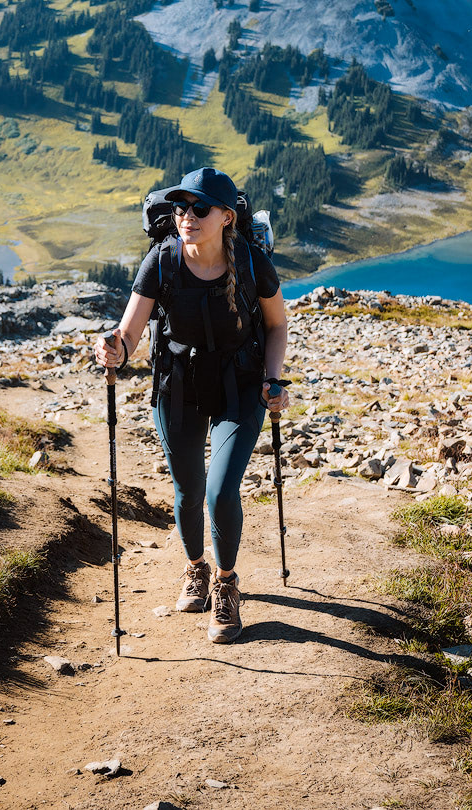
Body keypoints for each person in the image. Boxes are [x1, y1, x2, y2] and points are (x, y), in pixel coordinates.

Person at [94, 167, 288, 644]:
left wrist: (273, 378)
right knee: (187, 489)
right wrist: (115, 349)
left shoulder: (250, 262)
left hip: (239, 388)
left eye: (200, 208)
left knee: (221, 489)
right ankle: (195, 568)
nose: (187, 216)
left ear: (225, 217)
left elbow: (277, 325)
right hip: (177, 388)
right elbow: (131, 331)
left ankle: (225, 584)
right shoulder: (161, 261)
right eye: (180, 207)